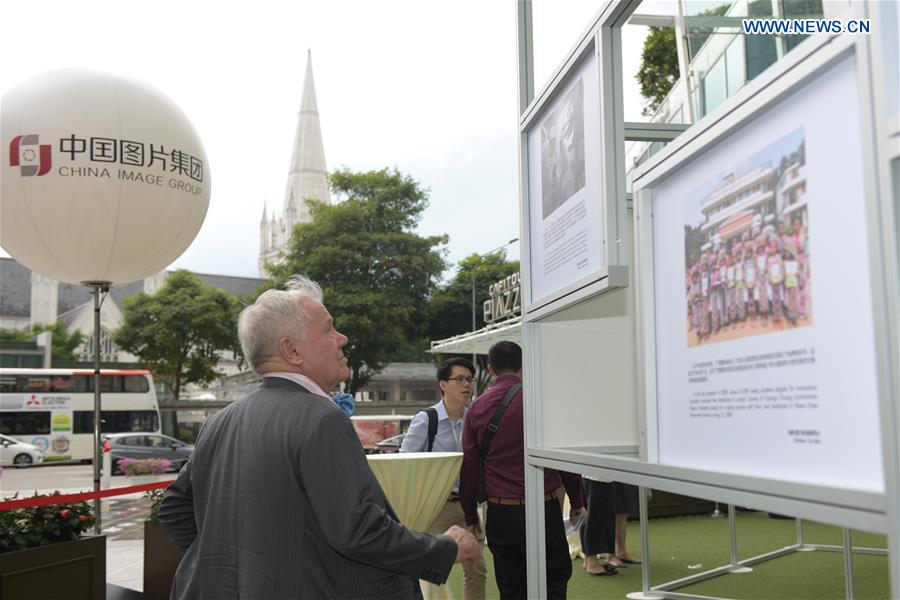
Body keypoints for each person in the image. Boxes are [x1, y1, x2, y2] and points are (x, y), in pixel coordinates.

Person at [158, 274, 479, 599]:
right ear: (292, 350)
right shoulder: (321, 419)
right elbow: (358, 531)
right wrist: (444, 548)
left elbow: (174, 508)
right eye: (328, 328)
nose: (343, 338)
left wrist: (227, 565)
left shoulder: (220, 421)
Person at [459, 341, 585, 600]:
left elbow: (470, 467)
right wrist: (577, 500)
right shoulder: (542, 401)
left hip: (501, 512)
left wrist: (470, 515)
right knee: (553, 582)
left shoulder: (476, 408)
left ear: (490, 368)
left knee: (512, 586)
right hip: (544, 509)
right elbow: (563, 458)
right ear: (522, 365)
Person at [399, 357, 487, 600]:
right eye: (459, 379)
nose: (466, 385)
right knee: (428, 573)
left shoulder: (474, 419)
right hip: (435, 507)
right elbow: (404, 461)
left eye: (469, 379)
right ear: (442, 385)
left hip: (468, 505)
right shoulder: (427, 420)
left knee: (477, 568)